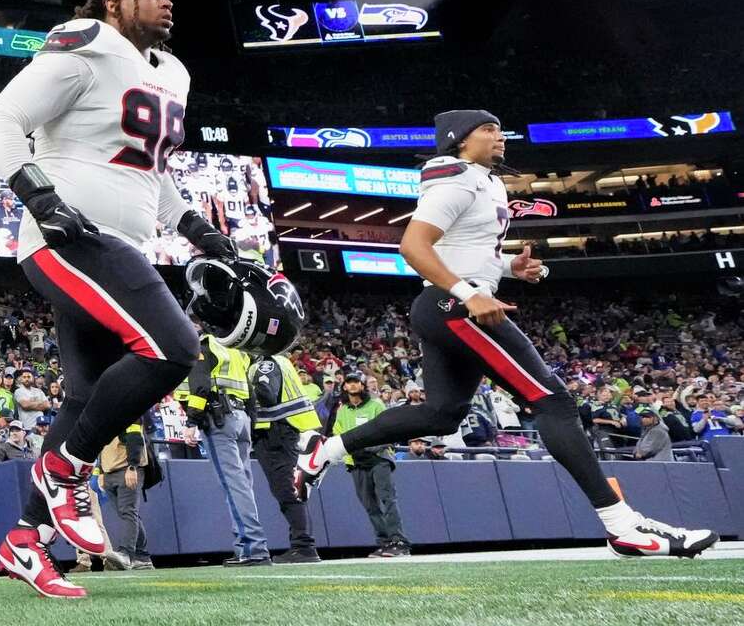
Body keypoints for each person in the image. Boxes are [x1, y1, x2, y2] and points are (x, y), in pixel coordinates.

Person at [295, 110, 715, 558]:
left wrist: (506, 268)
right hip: (452, 305)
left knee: (441, 415)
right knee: (552, 401)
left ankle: (327, 449)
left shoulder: (484, 180)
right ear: (460, 140)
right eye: (488, 130)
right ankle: (622, 525)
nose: (500, 136)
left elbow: (464, 249)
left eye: (499, 129)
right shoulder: (455, 180)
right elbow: (413, 247)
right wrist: (468, 292)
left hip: (446, 305)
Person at [0, 0, 236, 598]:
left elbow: (151, 167)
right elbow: (1, 121)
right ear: (113, 4)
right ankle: (65, 471)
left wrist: (197, 228)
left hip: (128, 242)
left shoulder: (172, 73)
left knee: (85, 396)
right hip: (70, 237)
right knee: (174, 351)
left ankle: (25, 539)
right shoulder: (86, 43)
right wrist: (40, 200)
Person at [175, 326, 269, 567]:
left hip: (220, 420)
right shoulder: (236, 351)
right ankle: (244, 548)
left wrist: (191, 421)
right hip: (242, 419)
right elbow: (250, 393)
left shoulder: (205, 346)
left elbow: (201, 386)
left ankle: (254, 547)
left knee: (234, 486)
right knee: (243, 484)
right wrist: (252, 422)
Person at [245, 327, 322, 563]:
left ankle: (303, 546)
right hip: (293, 429)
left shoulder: (265, 364)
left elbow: (267, 393)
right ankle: (301, 543)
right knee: (293, 489)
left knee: (286, 490)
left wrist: (247, 395)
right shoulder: (283, 360)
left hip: (277, 432)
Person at [330, 373, 408, 557]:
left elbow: (387, 430)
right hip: (356, 462)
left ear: (363, 385)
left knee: (388, 500)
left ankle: (400, 542)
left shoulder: (376, 405)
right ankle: (385, 542)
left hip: (379, 458)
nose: (353, 385)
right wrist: (351, 451)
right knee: (370, 506)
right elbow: (337, 435)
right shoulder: (342, 412)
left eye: (356, 381)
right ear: (344, 387)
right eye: (349, 382)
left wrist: (371, 447)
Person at [96, 422, 154, 571]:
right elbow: (101, 446)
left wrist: (132, 466)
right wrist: (101, 471)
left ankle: (126, 553)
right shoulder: (105, 416)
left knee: (128, 512)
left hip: (125, 469)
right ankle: (142, 556)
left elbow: (135, 438)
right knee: (127, 514)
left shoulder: (128, 410)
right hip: (109, 470)